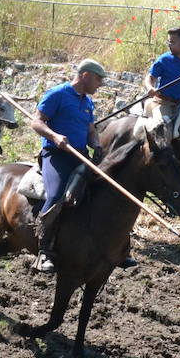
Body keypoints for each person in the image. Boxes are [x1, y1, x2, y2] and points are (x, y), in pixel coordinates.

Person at [29, 58, 107, 273]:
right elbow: (37, 121)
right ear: (85, 76)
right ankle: (43, 250)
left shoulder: (87, 102)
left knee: (104, 193)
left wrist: (97, 144)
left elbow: (91, 131)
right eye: (98, 79)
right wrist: (54, 136)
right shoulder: (57, 94)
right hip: (57, 155)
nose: (100, 84)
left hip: (80, 156)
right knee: (56, 195)